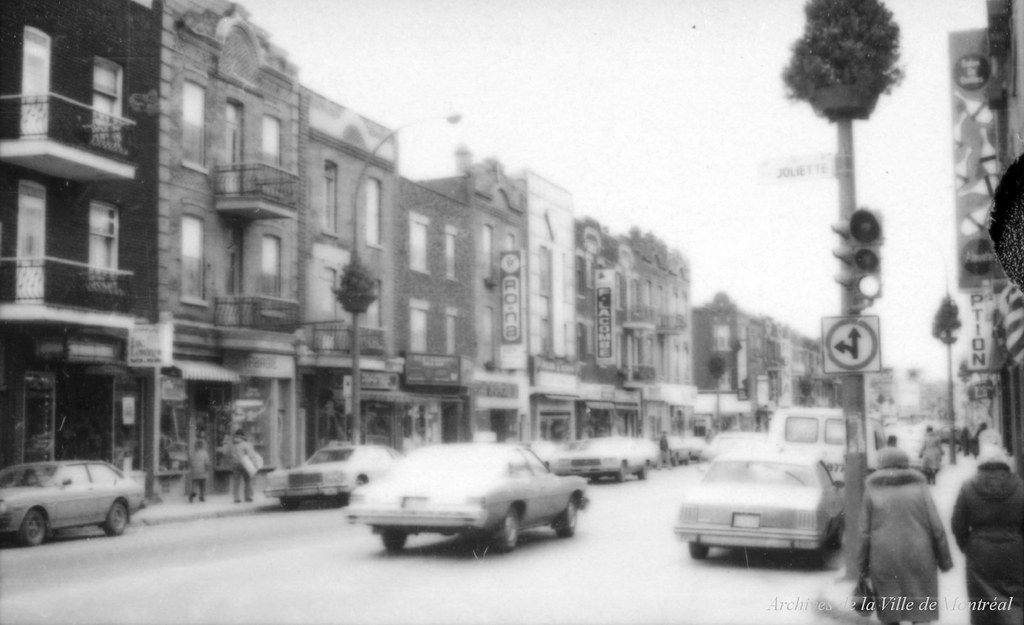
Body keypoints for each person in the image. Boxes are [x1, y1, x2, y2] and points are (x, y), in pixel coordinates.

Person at [858, 447, 953, 625]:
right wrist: (945, 560)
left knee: (890, 611)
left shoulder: (872, 489)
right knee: (919, 610)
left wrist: (862, 565)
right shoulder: (920, 486)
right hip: (920, 557)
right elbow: (937, 527)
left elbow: (864, 533)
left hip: (884, 558)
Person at [950, 444, 1024, 625]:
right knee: (1013, 598)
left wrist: (966, 545)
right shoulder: (1020, 486)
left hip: (979, 550)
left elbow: (957, 522)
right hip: (1013, 550)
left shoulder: (968, 486)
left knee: (981, 602)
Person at [225, 428, 259, 503]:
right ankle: (247, 497)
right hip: (244, 464)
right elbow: (251, 455)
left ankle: (236, 498)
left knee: (236, 481)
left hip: (235, 464)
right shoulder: (246, 444)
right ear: (243, 435)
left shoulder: (231, 444)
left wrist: (232, 459)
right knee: (247, 480)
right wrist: (255, 464)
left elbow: (227, 454)